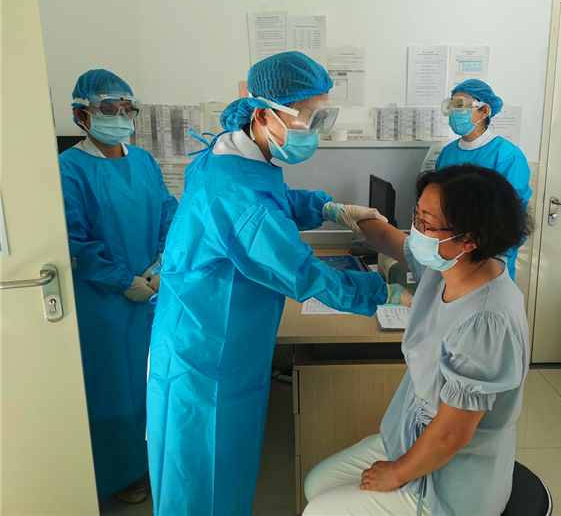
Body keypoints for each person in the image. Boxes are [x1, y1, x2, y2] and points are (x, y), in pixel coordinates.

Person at [146, 51, 407, 516]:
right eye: (308, 117)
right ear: (264, 115)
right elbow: (300, 271)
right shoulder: (237, 193)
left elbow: (277, 199)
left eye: (322, 116)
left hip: (207, 331)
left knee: (220, 468)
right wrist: (385, 293)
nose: (315, 129)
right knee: (203, 482)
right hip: (207, 351)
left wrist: (327, 207)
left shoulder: (234, 153)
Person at [303, 164, 534, 516]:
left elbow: (451, 435)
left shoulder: (487, 320)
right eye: (417, 215)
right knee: (315, 485)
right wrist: (339, 212)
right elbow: (394, 242)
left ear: (470, 237)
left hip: (453, 477)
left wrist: (395, 474)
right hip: (411, 437)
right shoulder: (450, 265)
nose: (417, 231)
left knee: (318, 512)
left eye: (426, 223)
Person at [59, 69, 178, 503]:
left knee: (153, 383)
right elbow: (74, 241)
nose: (120, 117)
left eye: (127, 109)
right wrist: (122, 280)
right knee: (112, 390)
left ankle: (152, 462)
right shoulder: (68, 169)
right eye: (108, 109)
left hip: (152, 294)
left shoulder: (144, 161)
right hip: (104, 303)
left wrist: (162, 267)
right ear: (82, 115)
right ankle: (120, 475)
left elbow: (169, 215)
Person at [436, 79, 532, 280]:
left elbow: (513, 215)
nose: (454, 111)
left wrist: (495, 255)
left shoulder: (507, 156)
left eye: (461, 105)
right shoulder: (447, 153)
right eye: (452, 105)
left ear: (484, 111)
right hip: (449, 252)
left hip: (490, 255)